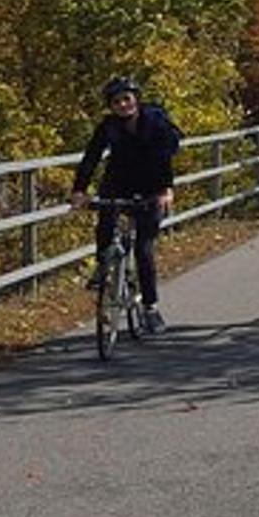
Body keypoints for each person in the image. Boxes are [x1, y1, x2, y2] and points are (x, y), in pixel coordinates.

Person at [69, 76, 182, 333]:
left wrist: (165, 189)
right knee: (105, 224)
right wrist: (79, 190)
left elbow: (164, 156)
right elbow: (91, 157)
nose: (122, 105)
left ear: (136, 100)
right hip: (118, 182)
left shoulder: (154, 122)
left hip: (152, 185)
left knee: (143, 249)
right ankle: (103, 267)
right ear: (111, 106)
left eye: (126, 99)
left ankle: (150, 308)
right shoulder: (108, 126)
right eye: (116, 101)